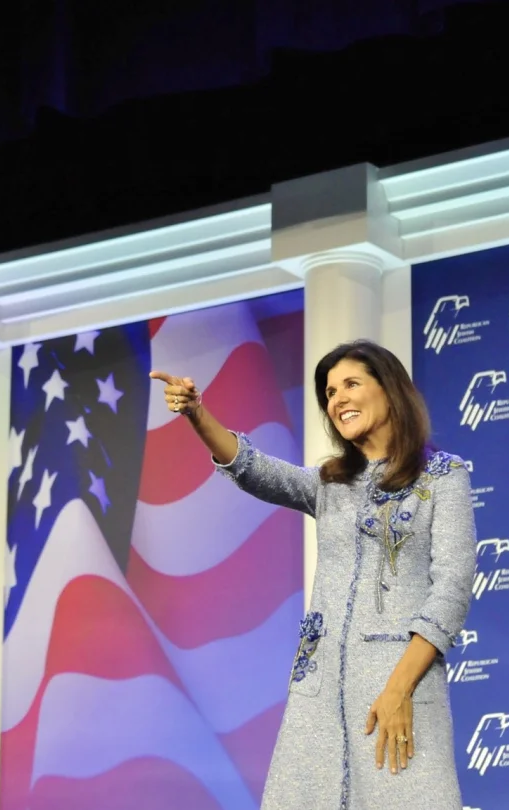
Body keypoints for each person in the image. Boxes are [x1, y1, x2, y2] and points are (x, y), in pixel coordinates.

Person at [149, 339, 476, 810]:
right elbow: (255, 469)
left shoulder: (443, 476)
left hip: (398, 689)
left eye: (350, 384)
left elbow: (452, 588)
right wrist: (197, 413)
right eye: (328, 391)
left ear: (390, 390)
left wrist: (398, 689)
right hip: (317, 696)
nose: (337, 398)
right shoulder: (331, 482)